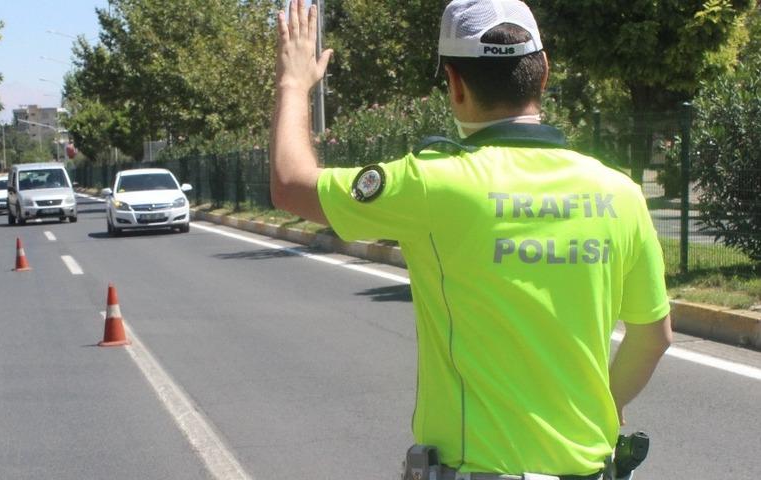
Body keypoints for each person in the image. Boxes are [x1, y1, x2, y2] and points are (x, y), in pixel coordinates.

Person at [270, 0, 672, 478]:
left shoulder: (433, 185)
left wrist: (293, 83)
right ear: (543, 74)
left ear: (455, 84)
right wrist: (606, 402)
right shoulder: (620, 193)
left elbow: (290, 182)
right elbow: (653, 336)